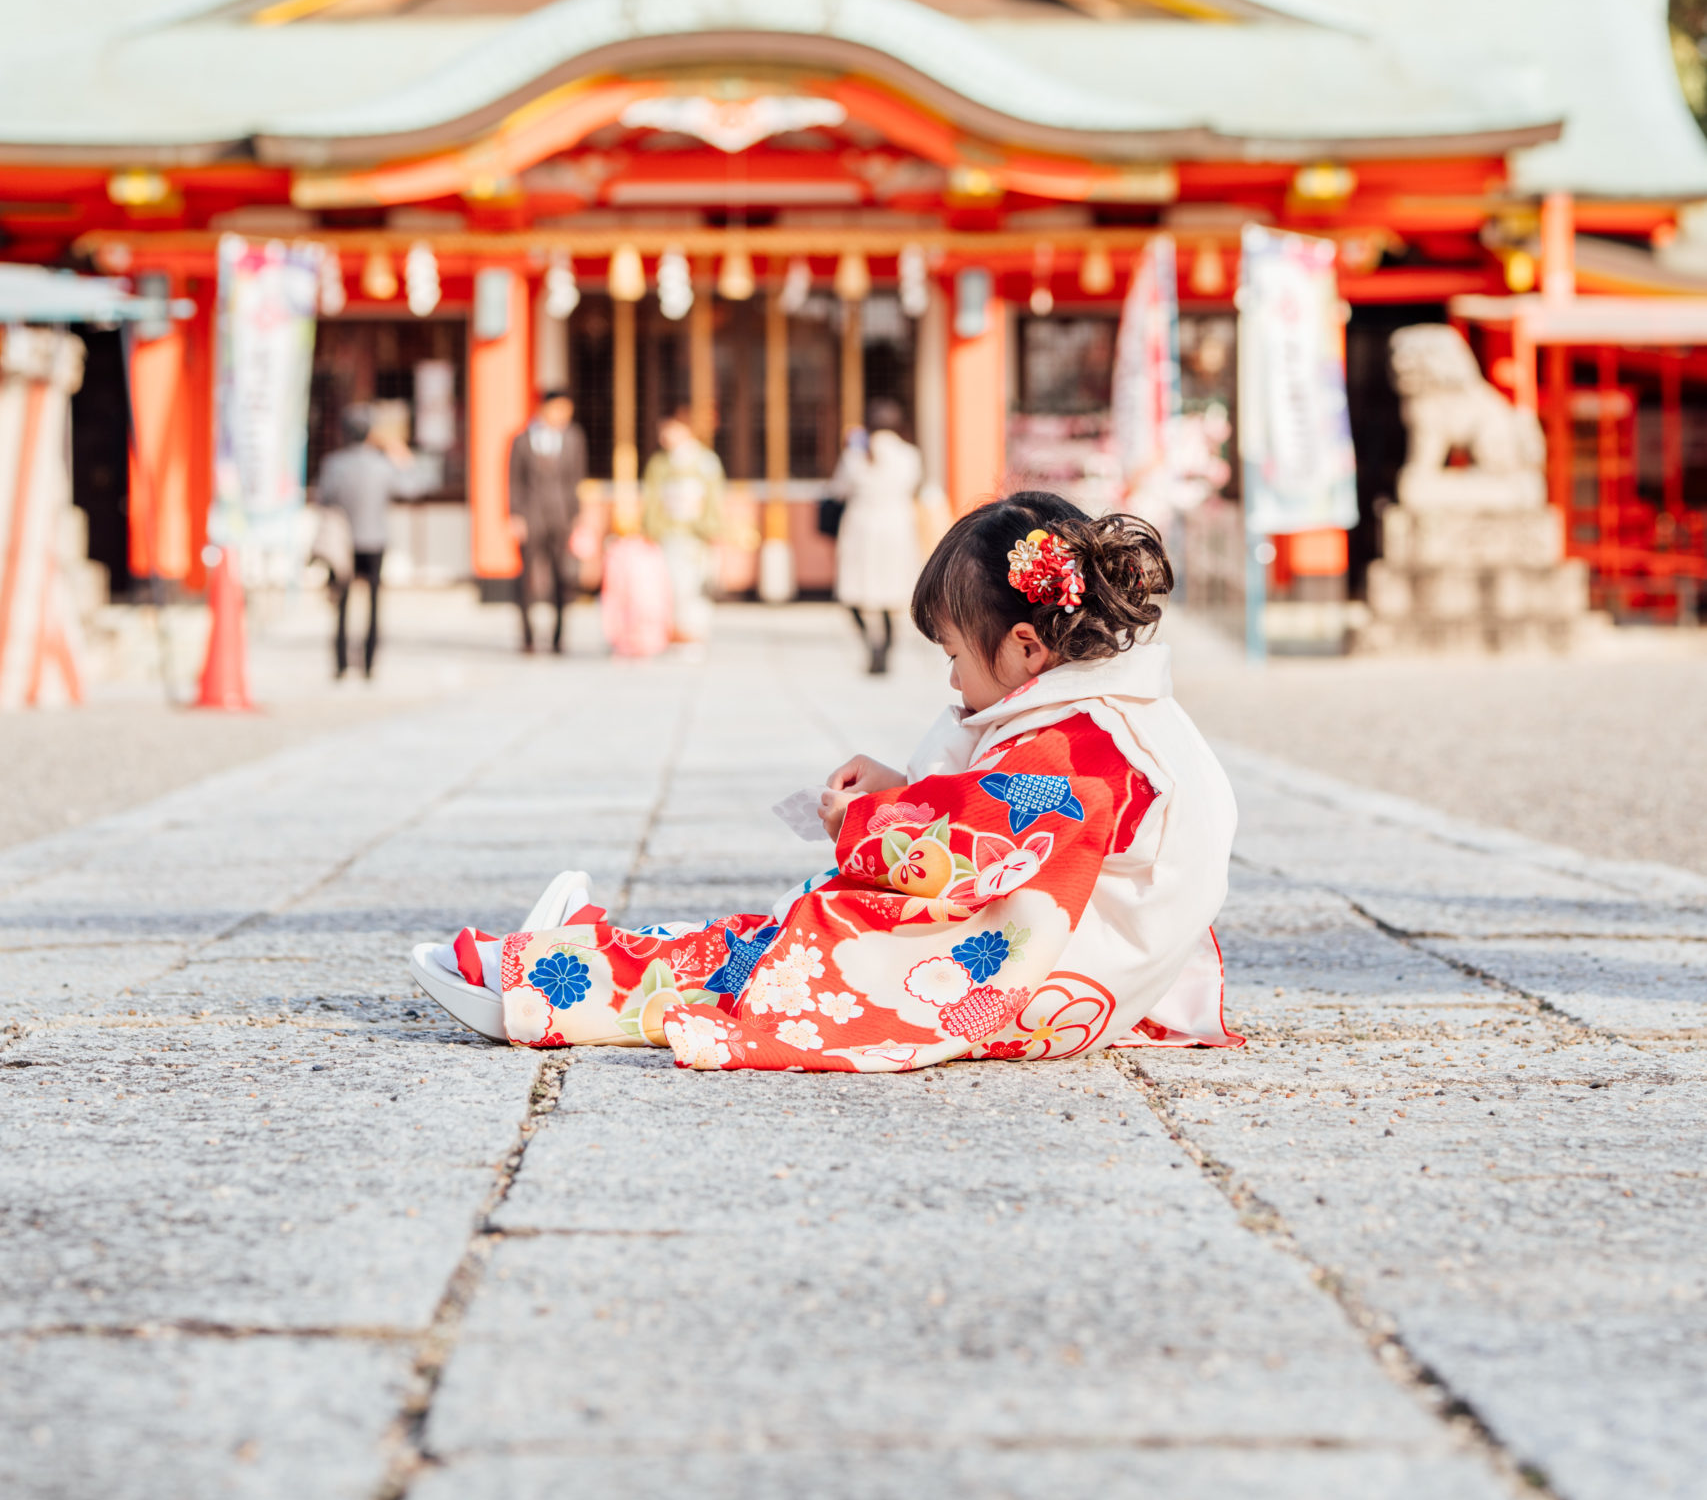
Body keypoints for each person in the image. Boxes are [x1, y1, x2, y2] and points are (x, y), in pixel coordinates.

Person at [408, 492, 1242, 1071]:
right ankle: (574, 952)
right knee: (770, 946)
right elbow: (1000, 816)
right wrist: (901, 785)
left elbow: (960, 850)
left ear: (1026, 646)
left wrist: (866, 817)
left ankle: (539, 982)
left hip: (1022, 979)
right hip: (1079, 958)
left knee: (785, 960)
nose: (952, 680)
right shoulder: (1112, 718)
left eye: (954, 654)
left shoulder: (1080, 744)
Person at [314, 405, 416, 679]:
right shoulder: (382, 465)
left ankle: (341, 663)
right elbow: (410, 488)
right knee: (373, 602)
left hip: (343, 541)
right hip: (374, 540)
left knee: (342, 604)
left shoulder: (334, 464)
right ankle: (369, 663)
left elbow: (323, 498)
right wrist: (402, 456)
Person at [831, 397, 922, 673]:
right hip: (896, 528)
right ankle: (887, 648)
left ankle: (871, 644)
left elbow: (837, 490)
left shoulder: (855, 455)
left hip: (861, 527)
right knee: (890, 593)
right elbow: (914, 486)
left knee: (855, 591)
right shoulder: (909, 455)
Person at [507, 388, 588, 655]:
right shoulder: (522, 440)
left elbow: (576, 479)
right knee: (526, 579)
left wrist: (577, 515)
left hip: (561, 517)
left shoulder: (574, 438)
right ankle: (528, 636)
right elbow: (514, 481)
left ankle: (558, 637)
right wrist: (515, 515)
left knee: (562, 577)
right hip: (531, 516)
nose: (564, 416)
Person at [640, 407, 725, 645]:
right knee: (668, 585)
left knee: (693, 586)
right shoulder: (659, 463)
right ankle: (673, 631)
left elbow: (713, 499)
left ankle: (692, 632)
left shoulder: (705, 461)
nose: (665, 435)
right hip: (667, 533)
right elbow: (651, 499)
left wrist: (712, 529)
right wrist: (650, 528)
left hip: (695, 535)